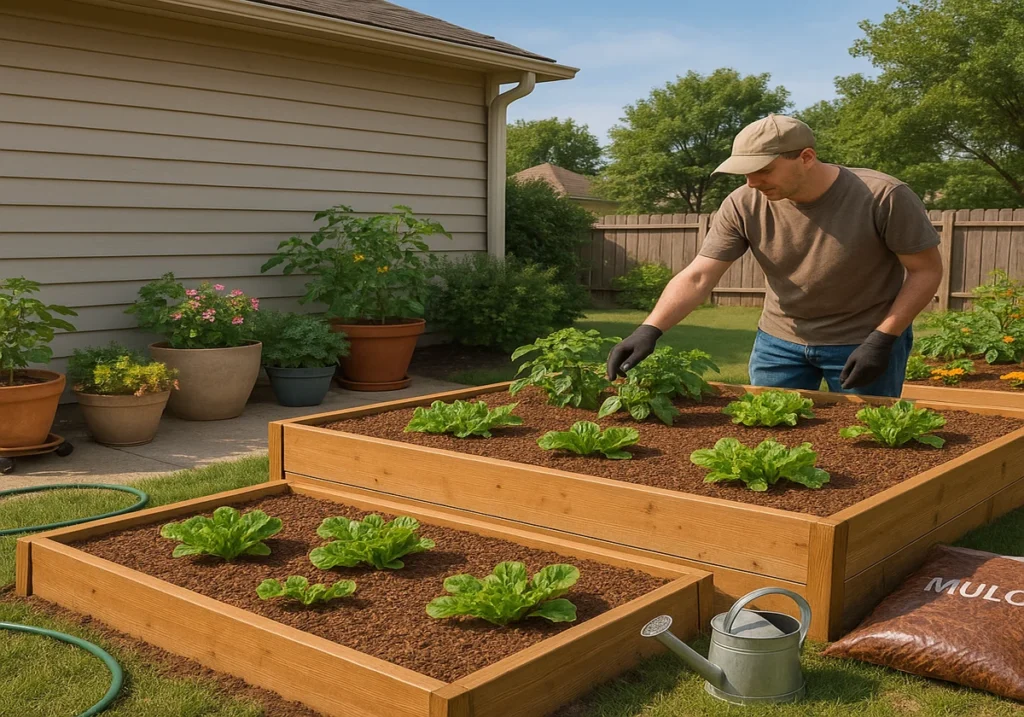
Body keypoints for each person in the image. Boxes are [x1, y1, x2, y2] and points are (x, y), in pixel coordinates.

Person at [606, 113, 943, 397]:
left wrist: (883, 339)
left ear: (806, 158)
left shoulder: (883, 196)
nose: (752, 182)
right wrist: (650, 329)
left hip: (863, 341)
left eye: (762, 170)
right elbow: (699, 275)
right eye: (745, 172)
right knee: (769, 441)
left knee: (869, 443)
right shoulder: (743, 203)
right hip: (779, 343)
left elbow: (925, 272)